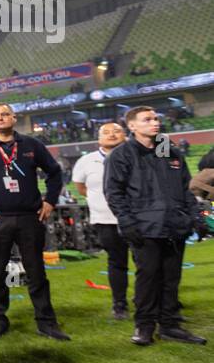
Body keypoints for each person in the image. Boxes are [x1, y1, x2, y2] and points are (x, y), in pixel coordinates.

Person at [105, 107, 205, 346]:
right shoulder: (122, 154)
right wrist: (127, 222)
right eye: (147, 119)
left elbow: (185, 191)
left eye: (156, 118)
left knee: (171, 279)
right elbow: (114, 193)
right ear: (132, 126)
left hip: (175, 226)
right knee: (148, 278)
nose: (155, 122)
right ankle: (145, 326)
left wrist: (196, 218)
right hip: (144, 228)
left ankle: (170, 325)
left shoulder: (171, 153)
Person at [0, 103, 70, 341]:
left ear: (14, 118)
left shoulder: (31, 144)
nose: (0, 118)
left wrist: (50, 201)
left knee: (36, 270)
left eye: (5, 114)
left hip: (30, 216)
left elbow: (54, 172)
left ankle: (46, 321)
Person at [71, 122, 130, 320]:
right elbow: (81, 187)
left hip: (138, 218)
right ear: (98, 138)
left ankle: (151, 300)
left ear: (126, 134)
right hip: (105, 219)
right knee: (117, 262)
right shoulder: (86, 161)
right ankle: (119, 305)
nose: (111, 134)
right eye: (106, 132)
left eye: (117, 131)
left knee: (147, 263)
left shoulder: (138, 155)